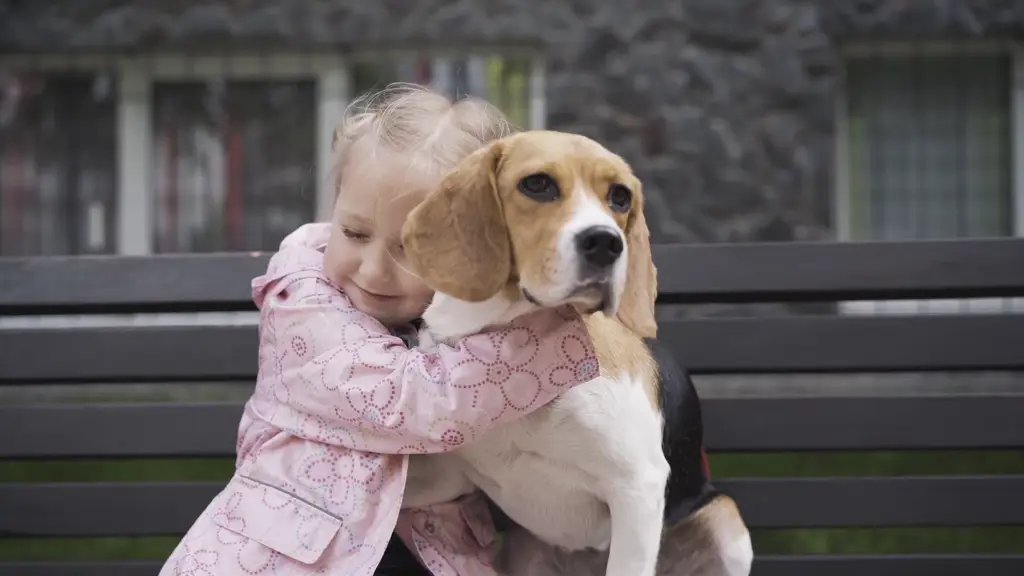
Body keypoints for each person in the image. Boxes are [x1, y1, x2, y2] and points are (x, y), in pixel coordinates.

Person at [158, 84, 599, 576]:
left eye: (410, 249)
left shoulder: (475, 322)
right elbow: (411, 401)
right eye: (354, 233)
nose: (371, 271)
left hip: (428, 556)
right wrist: (558, 335)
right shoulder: (302, 301)